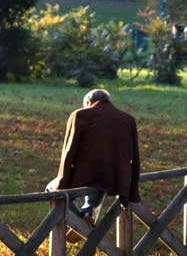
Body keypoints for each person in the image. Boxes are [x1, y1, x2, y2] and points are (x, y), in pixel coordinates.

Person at [46, 88, 141, 220]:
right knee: (100, 186)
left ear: (89, 101)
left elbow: (68, 152)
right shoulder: (128, 119)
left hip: (85, 175)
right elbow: (135, 157)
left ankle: (78, 223)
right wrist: (132, 190)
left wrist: (62, 182)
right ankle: (87, 213)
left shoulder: (79, 115)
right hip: (116, 178)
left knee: (51, 189)